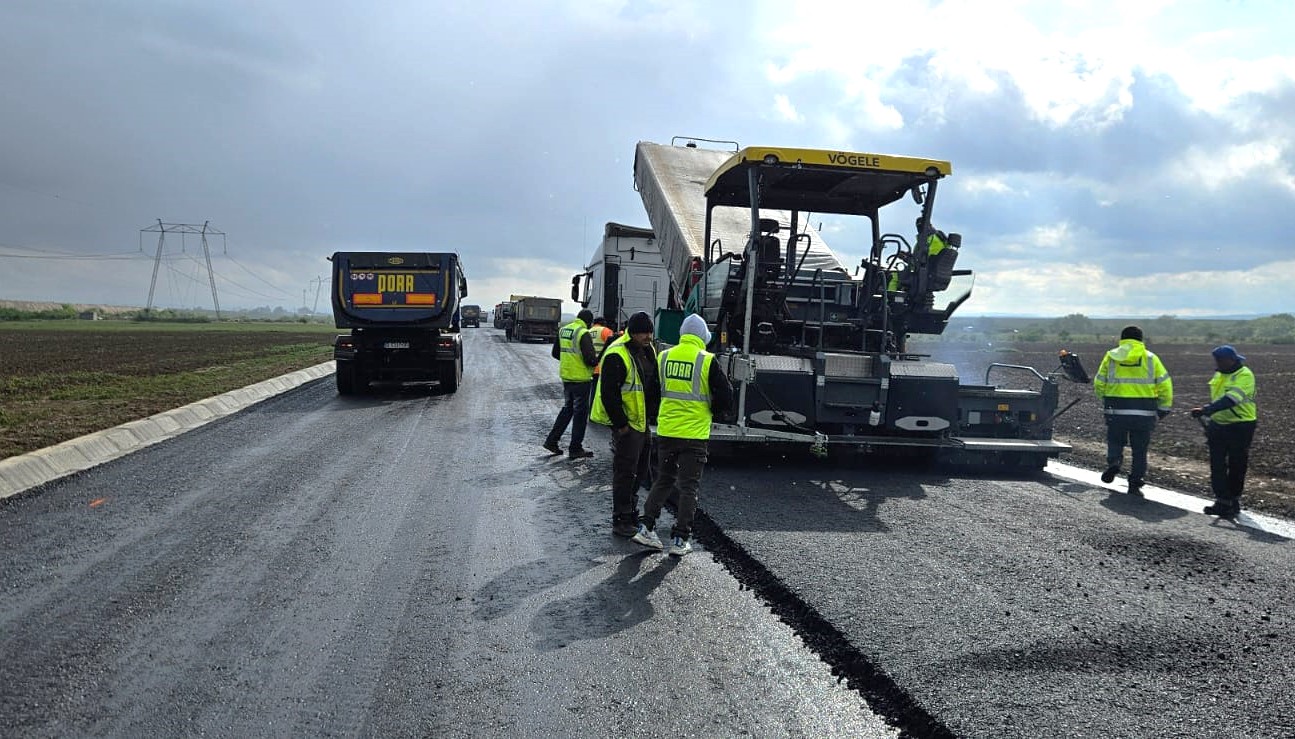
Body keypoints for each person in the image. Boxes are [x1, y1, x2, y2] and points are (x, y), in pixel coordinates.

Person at [633, 313, 732, 556]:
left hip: (667, 432)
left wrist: (658, 415)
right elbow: (726, 396)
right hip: (694, 435)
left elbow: (652, 392)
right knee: (689, 487)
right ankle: (680, 539)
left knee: (663, 479)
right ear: (702, 336)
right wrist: (713, 411)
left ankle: (646, 527)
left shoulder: (664, 357)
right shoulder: (707, 360)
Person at [590, 311, 660, 537]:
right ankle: (621, 519)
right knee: (625, 473)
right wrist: (621, 425)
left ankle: (631, 512)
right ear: (633, 332)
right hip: (627, 426)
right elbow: (609, 395)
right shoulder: (616, 354)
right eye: (644, 333)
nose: (648, 337)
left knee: (640, 471)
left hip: (641, 423)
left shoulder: (648, 351)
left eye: (650, 332)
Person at [1093, 325, 1173, 496]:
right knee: (1140, 449)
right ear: (1141, 339)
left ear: (1122, 339)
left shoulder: (1111, 356)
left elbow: (1099, 382)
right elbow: (1165, 385)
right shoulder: (1151, 358)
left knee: (1115, 441)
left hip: (1116, 409)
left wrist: (1106, 399)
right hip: (1144, 412)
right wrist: (1163, 408)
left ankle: (1114, 462)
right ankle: (1135, 481)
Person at [1190, 345, 1257, 518]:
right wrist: (1208, 414)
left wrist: (1206, 410)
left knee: (1237, 464)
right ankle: (1222, 500)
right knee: (1217, 464)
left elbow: (1231, 399)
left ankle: (1233, 500)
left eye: (1220, 360)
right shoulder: (1219, 374)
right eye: (1216, 361)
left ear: (1231, 360)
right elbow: (1219, 398)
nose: (1217, 364)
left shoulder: (1244, 375)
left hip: (1240, 425)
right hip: (1218, 425)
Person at [543, 309, 599, 459]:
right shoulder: (583, 333)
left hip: (567, 378)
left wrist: (569, 361)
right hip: (581, 379)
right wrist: (597, 360)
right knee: (580, 415)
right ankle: (575, 448)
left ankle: (551, 441)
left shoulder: (564, 330)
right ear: (589, 322)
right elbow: (590, 359)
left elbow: (555, 353)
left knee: (567, 409)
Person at [588, 316, 615, 408]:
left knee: (593, 391)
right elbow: (613, 346)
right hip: (602, 366)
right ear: (603, 323)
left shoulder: (588, 331)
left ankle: (591, 409)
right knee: (602, 391)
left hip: (591, 367)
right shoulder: (606, 331)